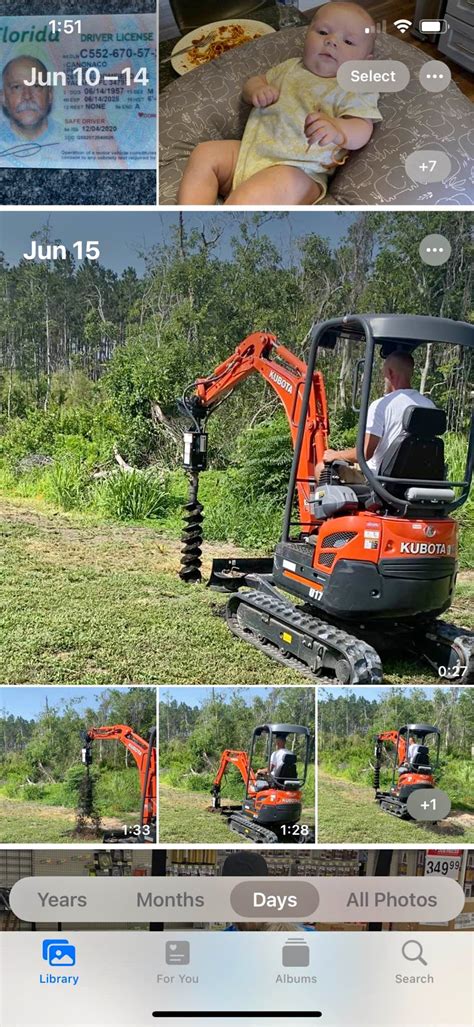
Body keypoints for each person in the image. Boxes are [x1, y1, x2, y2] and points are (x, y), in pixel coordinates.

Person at [178, 2, 381, 206]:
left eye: (348, 41)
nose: (331, 41)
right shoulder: (291, 66)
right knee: (204, 153)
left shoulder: (354, 86)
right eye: (322, 32)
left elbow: (363, 127)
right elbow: (255, 81)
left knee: (254, 196)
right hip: (251, 151)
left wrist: (338, 129)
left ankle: (223, 227)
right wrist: (256, 89)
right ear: (306, 35)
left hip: (300, 171)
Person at [315, 351, 436, 482]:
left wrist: (336, 454)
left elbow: (365, 453)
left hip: (380, 481)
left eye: (384, 375)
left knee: (321, 468)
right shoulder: (430, 406)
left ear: (390, 373)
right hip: (419, 479)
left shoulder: (382, 405)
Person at [0, 55, 56, 145]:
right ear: (3, 98)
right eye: (17, 87)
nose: (27, 96)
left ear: (50, 94)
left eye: (36, 86)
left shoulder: (75, 141)